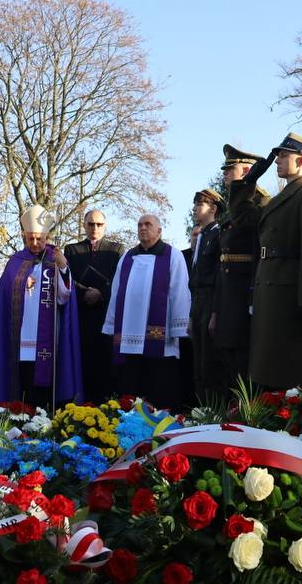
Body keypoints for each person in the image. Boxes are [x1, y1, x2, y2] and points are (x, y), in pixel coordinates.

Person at [250, 133, 302, 389]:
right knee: (269, 371)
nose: (277, 160)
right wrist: (248, 181)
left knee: (290, 373)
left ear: (300, 161)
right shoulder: (280, 199)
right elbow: (244, 217)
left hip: (291, 297)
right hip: (272, 293)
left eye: (283, 155)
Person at [0, 205, 82, 408]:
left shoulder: (56, 259)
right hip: (19, 337)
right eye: (30, 238)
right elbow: (4, 299)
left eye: (39, 239)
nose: (35, 243)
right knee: (21, 380)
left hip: (47, 339)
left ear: (47, 236)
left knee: (42, 388)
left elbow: (64, 297)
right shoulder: (15, 261)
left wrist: (62, 268)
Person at [104, 213, 192, 410]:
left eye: (148, 224)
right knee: (131, 385)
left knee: (159, 385)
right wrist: (111, 325)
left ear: (159, 231)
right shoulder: (127, 257)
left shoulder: (172, 255)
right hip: (129, 336)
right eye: (140, 225)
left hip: (161, 338)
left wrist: (179, 328)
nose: (143, 228)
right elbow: (116, 292)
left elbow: (180, 292)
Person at [211, 146, 272, 387]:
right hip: (227, 295)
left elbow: (259, 253)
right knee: (227, 361)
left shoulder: (261, 203)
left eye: (230, 169)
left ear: (247, 171)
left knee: (244, 362)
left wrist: (253, 297)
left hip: (246, 293)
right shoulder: (232, 210)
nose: (225, 174)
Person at [64, 209, 124, 401]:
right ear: (84, 225)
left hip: (107, 315)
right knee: (83, 361)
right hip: (81, 315)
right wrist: (84, 293)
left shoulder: (116, 250)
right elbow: (66, 278)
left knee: (106, 363)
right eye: (91, 224)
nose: (95, 228)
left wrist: (101, 293)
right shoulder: (72, 250)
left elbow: (119, 279)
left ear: (105, 226)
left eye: (99, 224)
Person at [188, 188, 226, 403]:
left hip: (211, 298)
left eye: (199, 204)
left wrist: (214, 312)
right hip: (198, 300)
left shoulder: (218, 234)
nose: (195, 208)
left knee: (209, 363)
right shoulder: (202, 235)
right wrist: (192, 314)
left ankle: (213, 410)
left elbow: (219, 277)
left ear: (212, 208)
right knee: (198, 363)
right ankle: (201, 407)